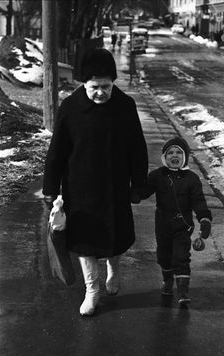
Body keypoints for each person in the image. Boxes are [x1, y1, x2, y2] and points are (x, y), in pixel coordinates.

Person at [43, 48, 148, 316]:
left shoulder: (125, 105)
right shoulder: (70, 108)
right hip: (80, 187)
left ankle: (113, 271)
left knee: (115, 236)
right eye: (94, 87)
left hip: (115, 185)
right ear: (83, 84)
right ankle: (92, 290)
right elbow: (56, 152)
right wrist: (50, 189)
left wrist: (138, 184)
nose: (100, 92)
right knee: (84, 241)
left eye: (106, 86)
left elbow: (138, 148)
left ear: (113, 82)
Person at [138, 136, 212, 305]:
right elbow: (145, 190)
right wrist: (135, 193)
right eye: (170, 152)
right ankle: (168, 280)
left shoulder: (192, 179)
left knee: (181, 257)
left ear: (184, 156)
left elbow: (199, 201)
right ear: (165, 157)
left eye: (178, 152)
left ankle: (183, 291)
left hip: (183, 227)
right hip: (163, 225)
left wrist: (204, 219)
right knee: (163, 256)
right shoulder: (158, 175)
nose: (174, 156)